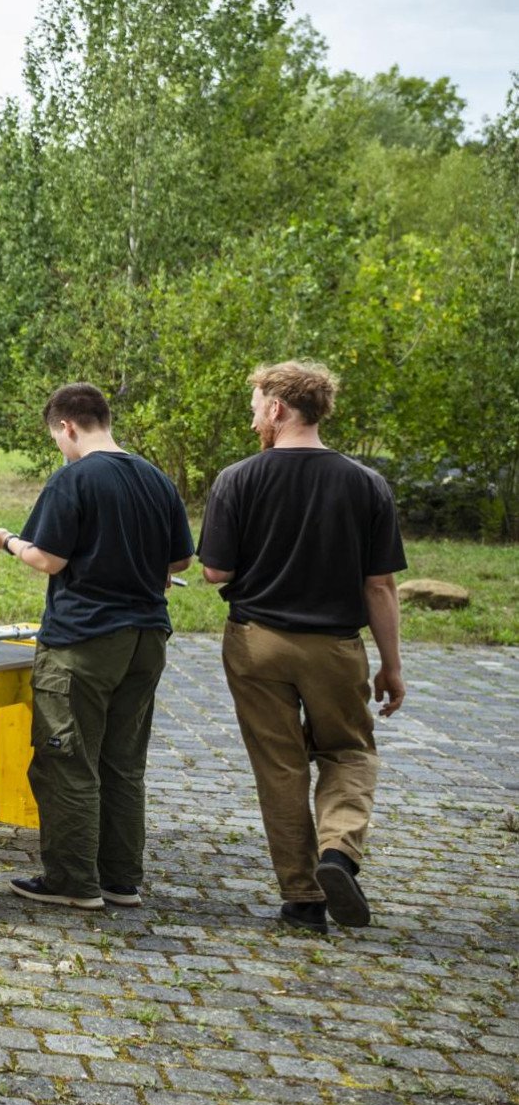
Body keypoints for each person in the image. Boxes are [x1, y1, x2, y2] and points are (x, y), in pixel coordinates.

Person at [197, 361, 407, 934]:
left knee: (280, 766)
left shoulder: (237, 479)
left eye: (256, 408)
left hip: (255, 644)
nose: (253, 421)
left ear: (278, 409)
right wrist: (390, 665)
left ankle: (303, 899)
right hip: (335, 648)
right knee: (348, 752)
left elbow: (215, 570)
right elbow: (380, 586)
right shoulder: (366, 484)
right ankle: (338, 853)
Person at [0, 383, 193, 912]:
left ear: (67, 427)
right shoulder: (156, 477)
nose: (60, 449)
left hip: (85, 640)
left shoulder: (76, 477)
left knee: (67, 759)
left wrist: (5, 541)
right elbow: (179, 562)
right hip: (147, 639)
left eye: (57, 439)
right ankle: (120, 878)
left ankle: (72, 879)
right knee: (122, 761)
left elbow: (48, 558)